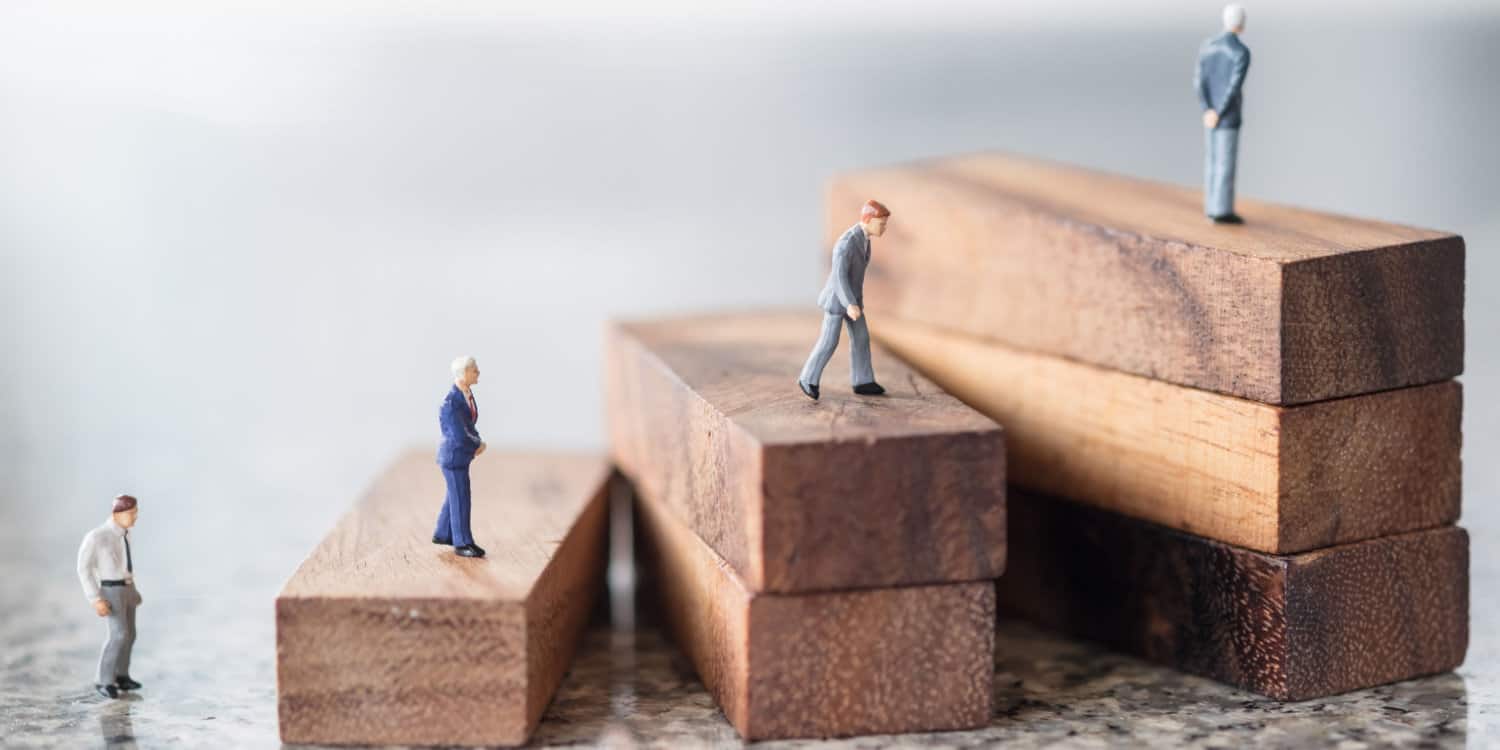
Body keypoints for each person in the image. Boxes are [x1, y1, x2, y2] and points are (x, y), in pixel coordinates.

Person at [797, 199, 890, 401]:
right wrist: (849, 303)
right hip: (838, 301)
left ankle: (862, 380)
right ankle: (807, 378)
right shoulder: (846, 243)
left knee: (862, 338)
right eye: (881, 223)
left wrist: (855, 302)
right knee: (829, 341)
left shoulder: (865, 241)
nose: (884, 227)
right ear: (868, 219)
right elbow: (839, 277)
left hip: (853, 301)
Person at [77, 494, 144, 699]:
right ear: (118, 513)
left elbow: (124, 565)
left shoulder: (125, 534)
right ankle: (104, 679)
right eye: (131, 514)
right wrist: (95, 598)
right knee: (118, 635)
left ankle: (122, 675)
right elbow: (84, 568)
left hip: (127, 587)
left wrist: (134, 591)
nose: (135, 518)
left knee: (130, 634)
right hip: (111, 590)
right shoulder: (97, 536)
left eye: (136, 513)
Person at [1196, 4, 1251, 223]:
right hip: (1227, 117)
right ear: (1242, 23)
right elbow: (1233, 87)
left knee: (1211, 161)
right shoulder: (1240, 52)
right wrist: (1219, 112)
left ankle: (1211, 205)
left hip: (1209, 116)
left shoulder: (1207, 47)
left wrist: (1207, 109)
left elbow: (1199, 82)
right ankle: (1222, 210)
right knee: (1225, 163)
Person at [434, 355, 487, 557]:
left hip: (461, 454)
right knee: (461, 496)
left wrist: (476, 439)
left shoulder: (467, 394)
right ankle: (462, 542)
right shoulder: (450, 403)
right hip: (454, 456)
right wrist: (477, 444)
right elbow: (458, 433)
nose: (478, 372)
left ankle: (443, 532)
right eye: (474, 369)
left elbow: (469, 425)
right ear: (463, 373)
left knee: (453, 495)